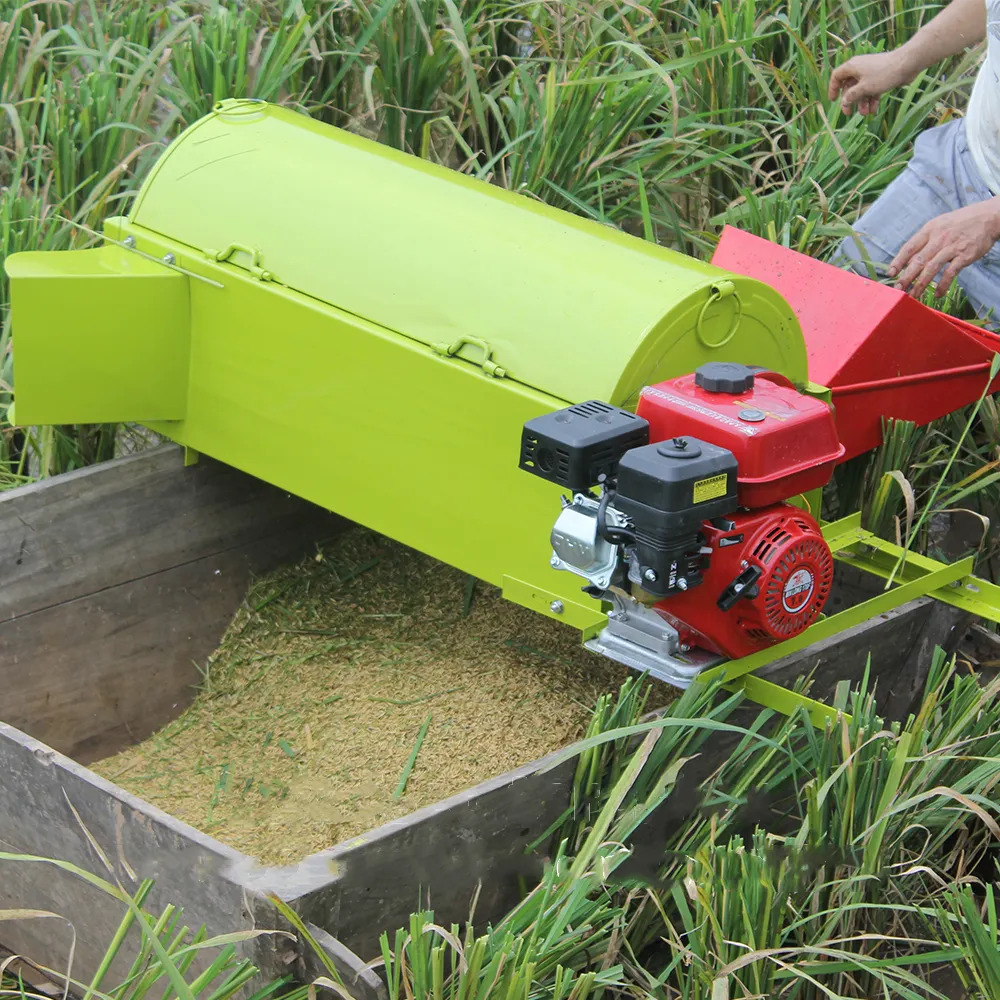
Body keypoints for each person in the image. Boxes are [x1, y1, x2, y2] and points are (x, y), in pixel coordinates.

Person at [829, 0, 1000, 322]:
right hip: (961, 163)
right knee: (836, 303)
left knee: (981, 368)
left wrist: (993, 216)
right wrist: (902, 61)